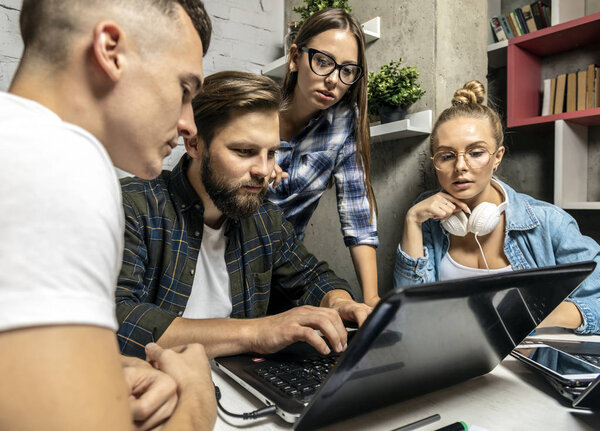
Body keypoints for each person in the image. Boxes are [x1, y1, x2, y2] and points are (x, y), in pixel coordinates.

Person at [0, 1, 217, 430]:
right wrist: (197, 399)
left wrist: (101, 366)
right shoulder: (63, 164)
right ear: (111, 49)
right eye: (184, 90)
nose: (189, 123)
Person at [116, 71, 372, 360]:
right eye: (245, 151)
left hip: (242, 393)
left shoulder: (265, 220)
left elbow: (313, 276)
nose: (264, 170)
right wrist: (257, 332)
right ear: (195, 144)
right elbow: (119, 318)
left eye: (272, 153)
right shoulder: (134, 205)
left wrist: (338, 302)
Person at [394, 80, 600, 335]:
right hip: (452, 365)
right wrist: (412, 220)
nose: (460, 166)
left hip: (532, 369)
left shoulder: (549, 222)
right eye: (447, 156)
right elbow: (409, 315)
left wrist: (539, 314)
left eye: (476, 152)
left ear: (498, 156)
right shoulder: (426, 217)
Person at [266, 8, 380, 306]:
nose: (333, 79)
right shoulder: (254, 110)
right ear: (294, 58)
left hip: (285, 270)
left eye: (347, 70)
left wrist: (372, 300)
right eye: (322, 62)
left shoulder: (345, 121)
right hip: (227, 260)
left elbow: (357, 213)